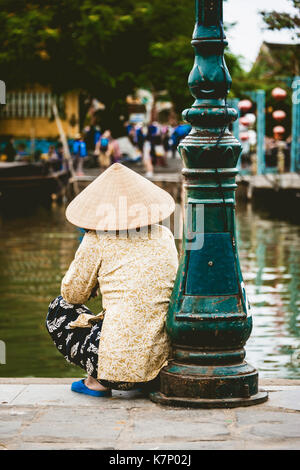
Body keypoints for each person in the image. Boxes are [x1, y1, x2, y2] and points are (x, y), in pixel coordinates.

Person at [46, 163, 178, 396]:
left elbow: (72, 295)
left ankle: (96, 381)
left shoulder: (97, 239)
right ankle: (133, 374)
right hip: (160, 365)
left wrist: (95, 282)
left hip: (114, 372)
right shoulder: (164, 235)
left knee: (59, 308)